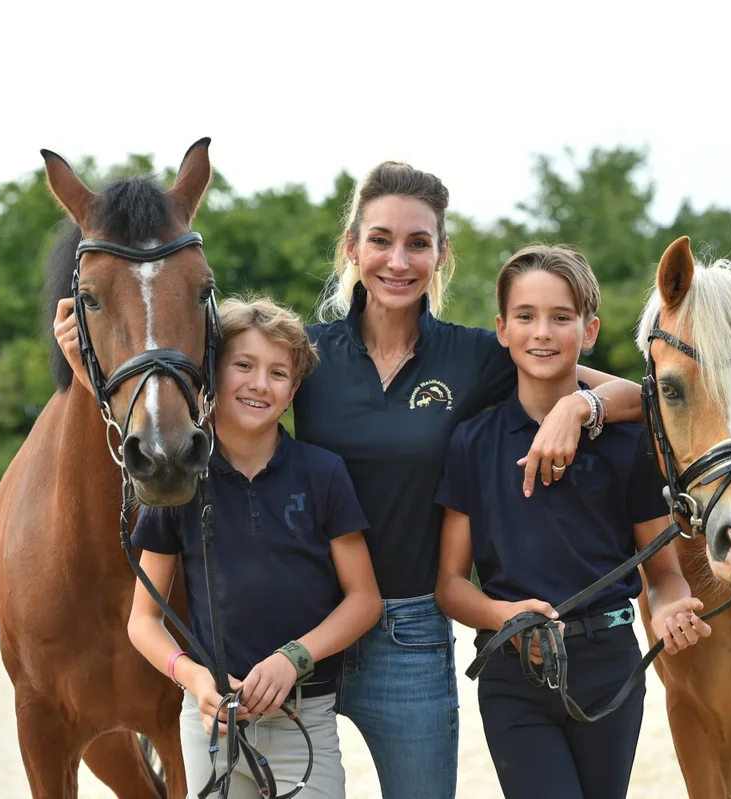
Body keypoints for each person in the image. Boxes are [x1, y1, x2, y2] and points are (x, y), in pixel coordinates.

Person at [55, 160, 646, 798]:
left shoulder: (476, 356)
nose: (398, 260)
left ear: (441, 257)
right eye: (381, 240)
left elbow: (642, 397)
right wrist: (88, 369)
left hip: (408, 634)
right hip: (294, 633)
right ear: (352, 249)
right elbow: (186, 408)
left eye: (419, 243)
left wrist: (575, 407)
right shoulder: (303, 356)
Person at [433, 244, 710, 799]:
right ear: (502, 330)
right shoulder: (472, 442)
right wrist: (503, 616)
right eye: (526, 317)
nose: (543, 332)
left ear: (589, 332)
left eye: (562, 318)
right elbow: (449, 585)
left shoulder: (628, 443)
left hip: (611, 667)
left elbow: (665, 575)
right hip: (513, 675)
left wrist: (673, 605)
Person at [124, 297, 382, 798]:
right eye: (243, 365)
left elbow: (364, 599)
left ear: (293, 392)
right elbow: (142, 619)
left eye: (278, 373)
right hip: (209, 726)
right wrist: (195, 681)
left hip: (303, 717)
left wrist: (293, 658)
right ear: (212, 374)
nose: (260, 383)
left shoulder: (323, 472)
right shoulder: (180, 481)